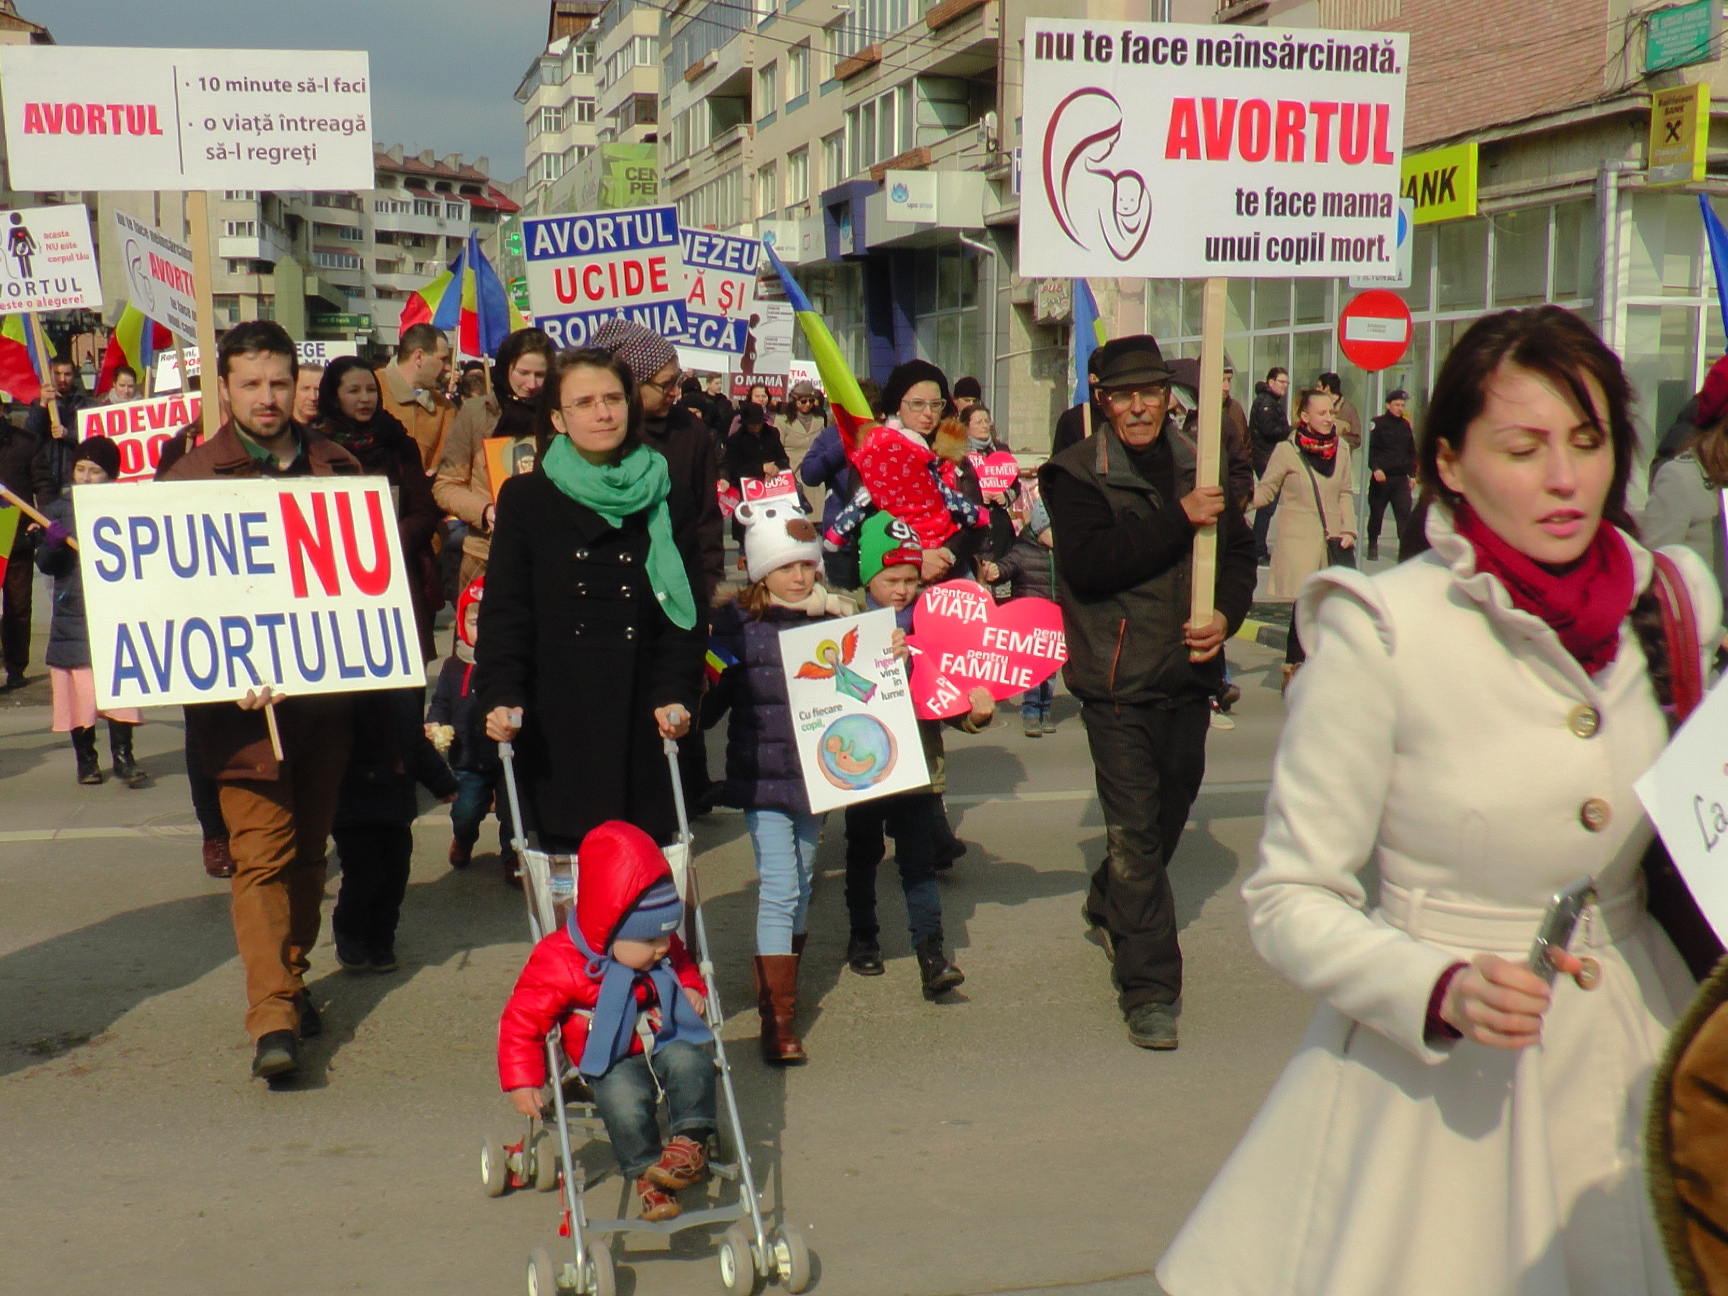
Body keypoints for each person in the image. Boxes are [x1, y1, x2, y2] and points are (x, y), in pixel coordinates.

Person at [1157, 304, 1722, 1296]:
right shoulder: (1384, 630)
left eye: (1587, 443)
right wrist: (1435, 985)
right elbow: (1290, 898)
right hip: (1440, 1086)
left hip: (1642, 1042)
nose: (1564, 477)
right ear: (1451, 464)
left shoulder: (1671, 599)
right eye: (1525, 446)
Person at [1040, 334, 1258, 1050]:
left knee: (1167, 814)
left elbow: (1237, 555)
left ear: (1171, 398)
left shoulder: (1205, 463)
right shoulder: (1072, 473)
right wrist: (1178, 516)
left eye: (1151, 393)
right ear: (1101, 402)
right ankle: (1150, 991)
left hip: (1188, 678)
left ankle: (1111, 897)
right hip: (1116, 682)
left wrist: (1225, 616)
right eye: (1122, 395)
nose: (1138, 407)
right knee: (1135, 833)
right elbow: (1095, 564)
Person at [159, 320, 363, 1082]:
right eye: (251, 383)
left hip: (324, 700)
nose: (268, 397)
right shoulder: (186, 480)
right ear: (225, 389)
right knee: (260, 857)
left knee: (308, 854)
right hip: (236, 710)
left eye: (279, 381)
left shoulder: (335, 466)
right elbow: (167, 610)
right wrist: (219, 673)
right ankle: (272, 1016)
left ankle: (293, 972)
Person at [475, 348, 705, 853]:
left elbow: (685, 613)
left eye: (612, 398)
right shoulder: (526, 498)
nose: (603, 413)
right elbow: (506, 615)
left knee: (643, 906)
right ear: (557, 418)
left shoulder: (668, 492)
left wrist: (677, 693)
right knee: (571, 905)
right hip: (558, 724)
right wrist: (500, 695)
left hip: (645, 721)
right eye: (584, 403)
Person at [499, 821, 715, 1223]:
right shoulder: (560, 960)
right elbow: (522, 1020)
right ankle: (647, 1176)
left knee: (694, 1064)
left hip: (664, 1034)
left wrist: (689, 985)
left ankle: (689, 1144)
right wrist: (523, 1080)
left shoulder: (659, 943)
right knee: (624, 1102)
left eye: (666, 939)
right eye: (652, 942)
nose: (662, 949)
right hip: (608, 1056)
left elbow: (682, 963)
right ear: (611, 931)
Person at [707, 503, 857, 1063]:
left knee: (801, 880)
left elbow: (871, 689)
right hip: (763, 780)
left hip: (820, 780)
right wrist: (692, 687)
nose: (799, 577)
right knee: (781, 886)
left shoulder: (837, 618)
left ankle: (776, 989)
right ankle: (779, 1021)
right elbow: (709, 697)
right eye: (786, 566)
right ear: (759, 570)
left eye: (807, 566)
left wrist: (893, 657)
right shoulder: (736, 625)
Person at [844, 511, 986, 997]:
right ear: (868, 577)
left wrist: (975, 714)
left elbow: (948, 692)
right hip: (862, 768)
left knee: (918, 863)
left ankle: (931, 952)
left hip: (917, 767)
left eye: (910, 578)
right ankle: (864, 938)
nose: (903, 589)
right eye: (891, 579)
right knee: (862, 855)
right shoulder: (844, 623)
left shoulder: (931, 625)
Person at [35, 436, 148, 787]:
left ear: (110, 476)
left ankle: (124, 757)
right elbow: (47, 564)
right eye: (80, 469)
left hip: (115, 611)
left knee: (120, 687)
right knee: (79, 692)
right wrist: (52, 545)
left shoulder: (125, 508)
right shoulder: (56, 511)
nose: (85, 477)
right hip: (73, 612)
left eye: (95, 471)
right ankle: (87, 760)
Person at [314, 357, 444, 660]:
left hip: (398, 573)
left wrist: (393, 537)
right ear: (334, 396)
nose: (364, 399)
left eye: (371, 390)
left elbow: (425, 510)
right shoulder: (314, 446)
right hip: (336, 579)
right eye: (353, 390)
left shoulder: (397, 440)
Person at [592, 318, 724, 603]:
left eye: (676, 380)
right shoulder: (593, 433)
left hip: (677, 591)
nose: (676, 392)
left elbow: (707, 522)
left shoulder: (690, 432)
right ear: (631, 384)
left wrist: (707, 593)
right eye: (666, 384)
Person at [331, 689, 458, 974]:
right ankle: (350, 932)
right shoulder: (337, 698)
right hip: (351, 802)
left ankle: (381, 939)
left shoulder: (400, 696)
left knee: (395, 874)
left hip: (394, 801)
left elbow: (414, 740)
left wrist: (441, 781)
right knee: (364, 874)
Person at [434, 327, 556, 597]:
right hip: (484, 553)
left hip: (547, 552)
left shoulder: (559, 414)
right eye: (523, 373)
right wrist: (485, 511)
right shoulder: (475, 412)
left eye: (540, 375)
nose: (532, 384)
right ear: (505, 368)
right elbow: (446, 485)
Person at [427, 576, 515, 878]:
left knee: (514, 813)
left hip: (509, 756)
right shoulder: (454, 666)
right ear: (464, 625)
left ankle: (512, 857)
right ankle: (464, 839)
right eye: (476, 622)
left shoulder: (511, 664)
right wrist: (435, 722)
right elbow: (440, 702)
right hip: (468, 758)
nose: (484, 630)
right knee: (466, 811)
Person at [980, 494, 1058, 737]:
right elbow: (1007, 566)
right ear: (1038, 528)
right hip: (1030, 621)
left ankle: (1046, 710)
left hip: (1054, 621)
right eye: (1050, 530)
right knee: (1034, 670)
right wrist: (994, 571)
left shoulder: (1062, 554)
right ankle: (1031, 713)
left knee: (1051, 669)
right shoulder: (1023, 551)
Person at [375, 322, 453, 471]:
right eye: (442, 359)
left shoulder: (446, 409)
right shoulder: (371, 389)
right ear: (419, 357)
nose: (448, 367)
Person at [0, 397, 38, 691]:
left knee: (18, 606)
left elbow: (44, 486)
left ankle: (15, 668)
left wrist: (49, 521)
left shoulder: (26, 443)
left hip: (18, 538)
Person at [29, 356, 93, 507]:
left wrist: (68, 434)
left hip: (73, 478)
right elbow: (30, 434)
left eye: (67, 374)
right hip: (46, 479)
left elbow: (91, 438)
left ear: (74, 376)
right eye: (57, 374)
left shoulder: (86, 404)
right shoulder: (38, 404)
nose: (62, 379)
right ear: (50, 375)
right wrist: (42, 404)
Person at [1366, 387, 1416, 561]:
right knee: (1376, 515)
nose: (1400, 408)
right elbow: (1370, 450)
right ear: (1388, 405)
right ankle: (1372, 543)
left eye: (1402, 405)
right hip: (1382, 479)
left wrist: (1413, 475)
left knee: (1404, 515)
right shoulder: (1377, 424)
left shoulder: (1405, 425)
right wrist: (1376, 468)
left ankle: (1405, 552)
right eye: (1397, 404)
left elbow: (1411, 451)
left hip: (1400, 479)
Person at [1248, 366, 1291, 563]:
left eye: (1286, 383)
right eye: (1281, 382)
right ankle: (1257, 548)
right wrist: (1291, 430)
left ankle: (1258, 546)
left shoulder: (1272, 402)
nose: (1285, 386)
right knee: (1266, 504)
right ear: (1270, 382)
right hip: (1266, 458)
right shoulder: (1265, 403)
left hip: (1270, 457)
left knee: (1268, 505)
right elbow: (1269, 430)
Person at [780, 379, 827, 513]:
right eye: (803, 401)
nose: (808, 405)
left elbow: (823, 442)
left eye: (811, 401)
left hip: (814, 466)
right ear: (794, 401)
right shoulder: (783, 419)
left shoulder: (819, 419)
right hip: (792, 469)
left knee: (817, 510)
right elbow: (778, 445)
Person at [1316, 371, 1362, 450]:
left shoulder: (1348, 409)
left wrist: (1336, 440)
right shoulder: (1316, 406)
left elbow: (1356, 439)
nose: (1316, 389)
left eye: (1319, 386)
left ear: (1327, 388)